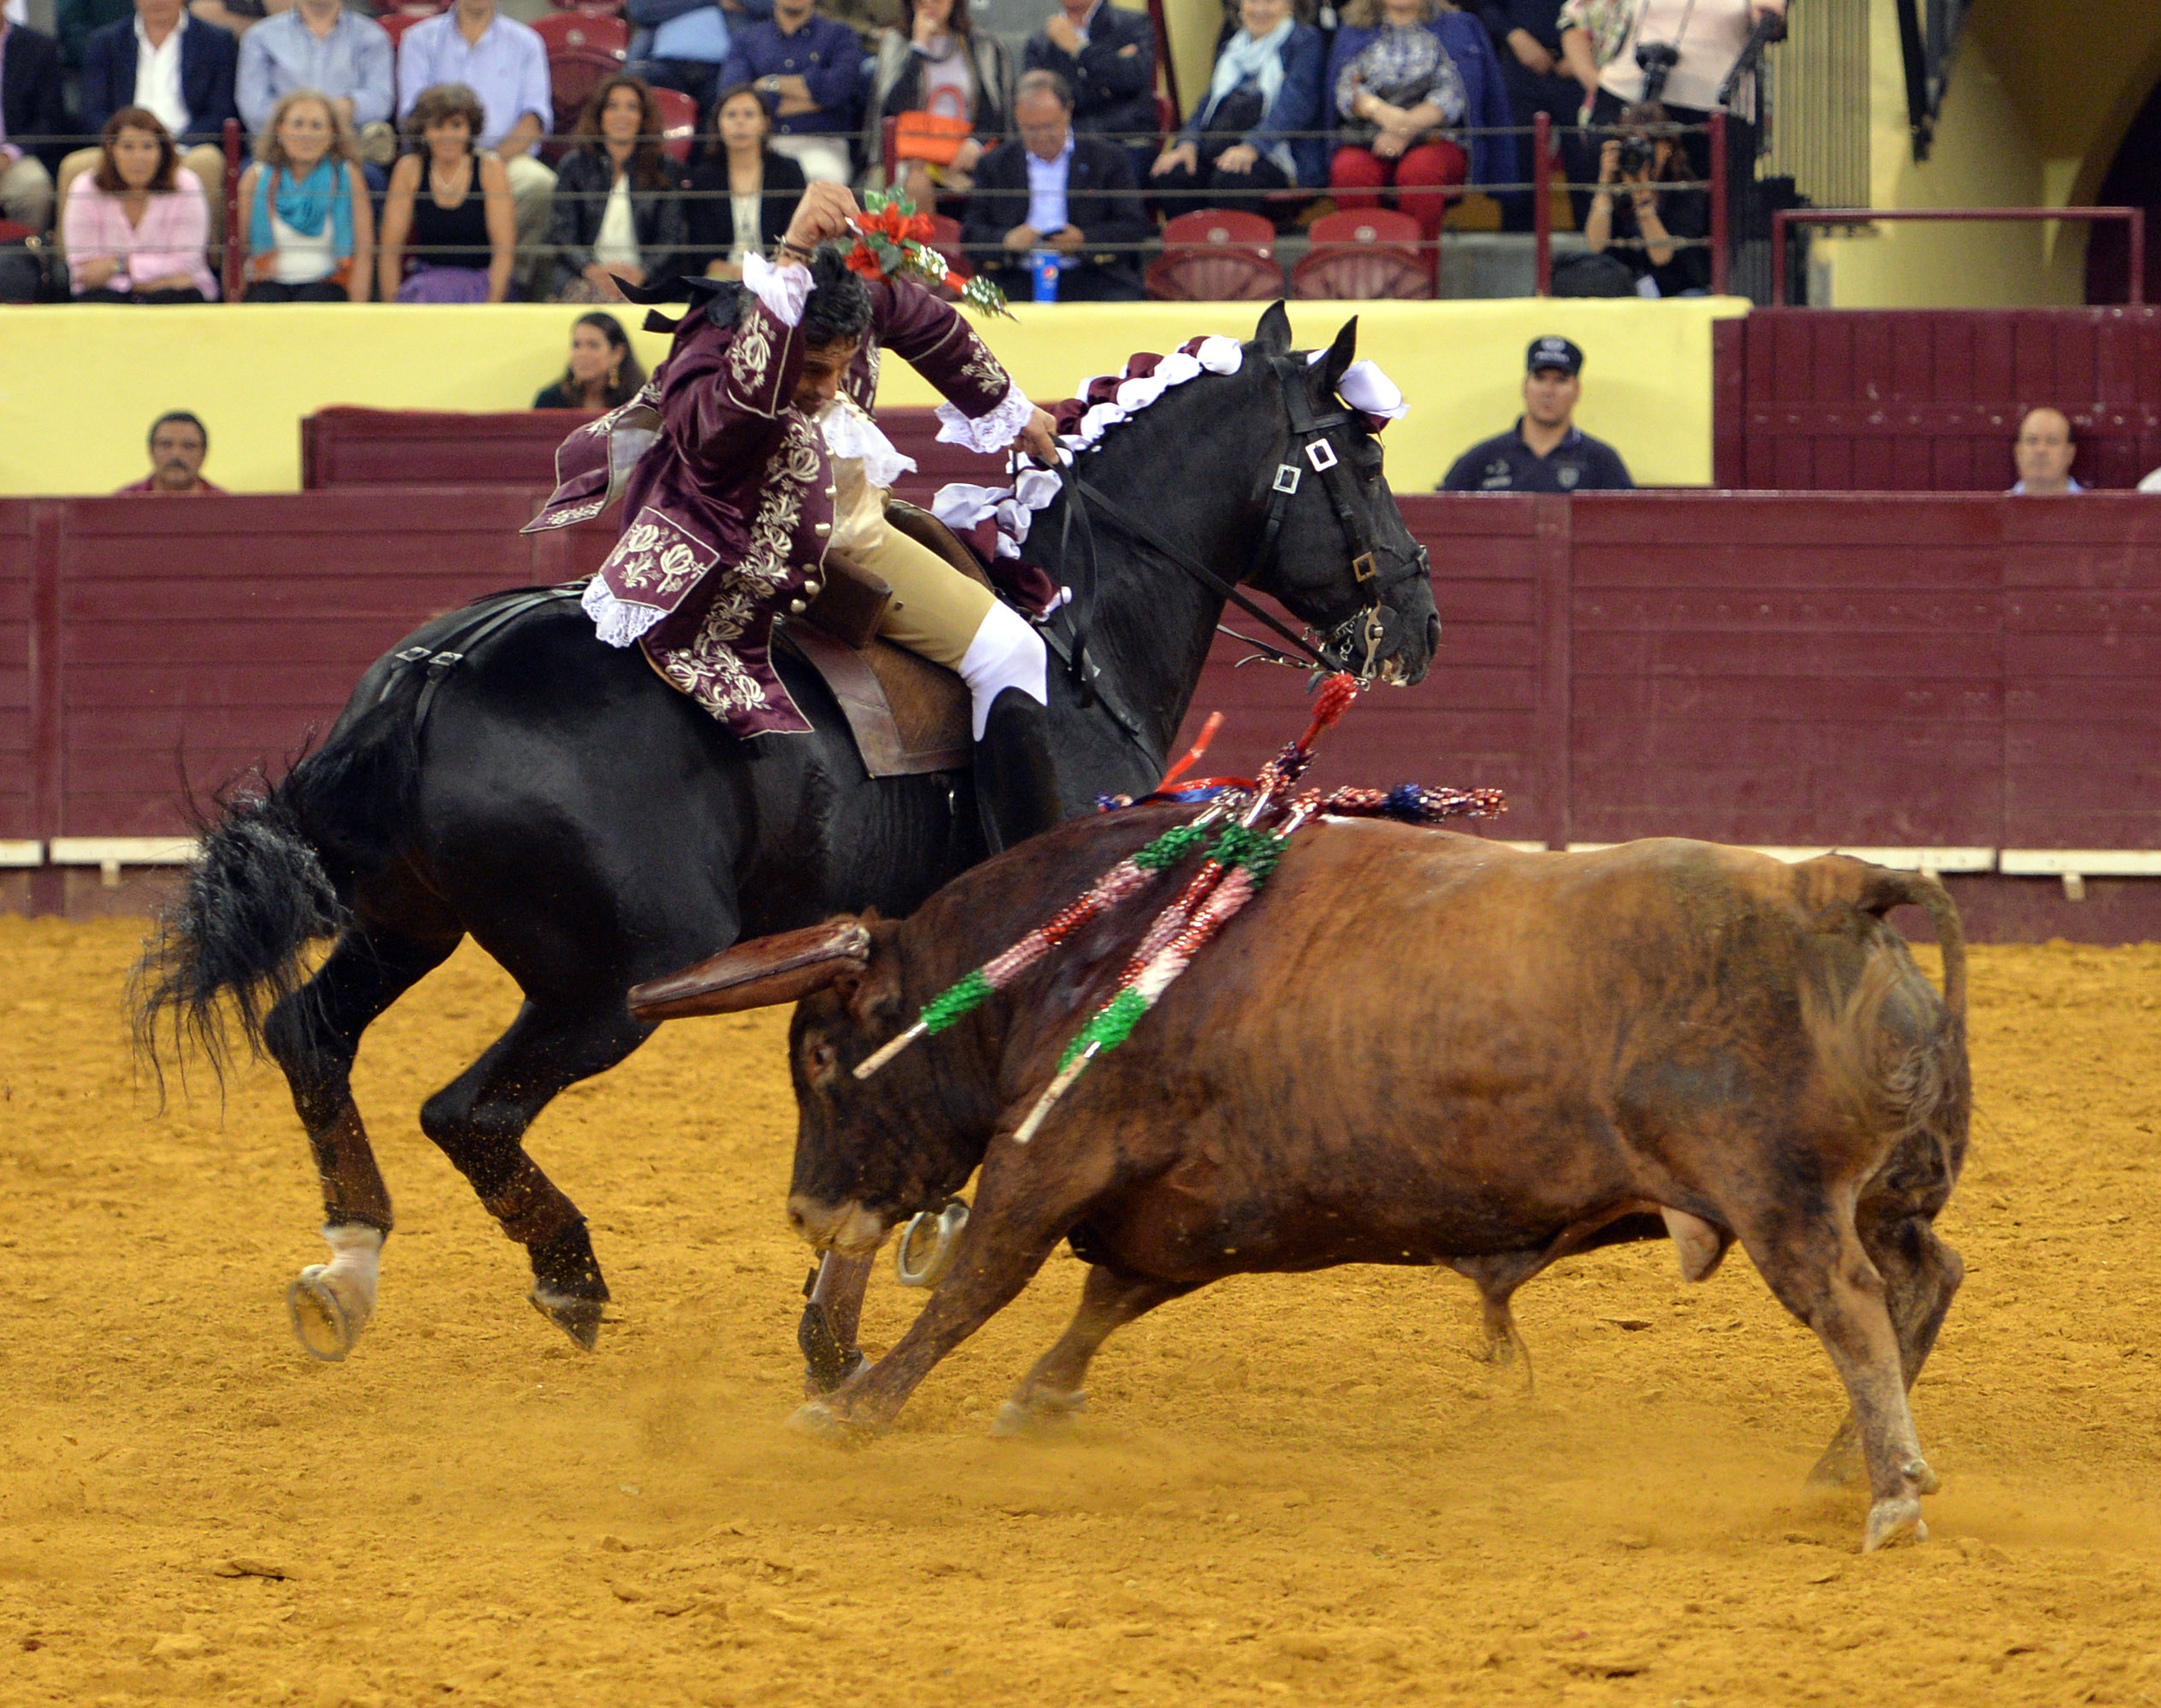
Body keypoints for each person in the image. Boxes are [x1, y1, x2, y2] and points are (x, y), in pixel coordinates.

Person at [528, 181, 1069, 851]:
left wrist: (1012, 411)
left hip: (843, 532)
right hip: (728, 549)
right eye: (811, 368)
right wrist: (793, 258)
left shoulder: (857, 297)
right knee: (1010, 652)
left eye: (840, 368)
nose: (826, 389)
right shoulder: (718, 334)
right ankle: (1026, 858)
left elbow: (933, 326)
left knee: (1010, 643)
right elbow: (723, 424)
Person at [394, 0, 552, 285]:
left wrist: (485, 166)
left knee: (539, 183)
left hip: (506, 159)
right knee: (407, 173)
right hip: (436, 156)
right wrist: (457, 160)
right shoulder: (418, 39)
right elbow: (412, 116)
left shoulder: (526, 42)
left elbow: (533, 119)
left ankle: (514, 286)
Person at [960, 68, 1146, 302]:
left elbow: (1133, 227)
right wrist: (1006, 241)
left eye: (1049, 127)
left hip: (1092, 274)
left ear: (1068, 112)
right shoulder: (996, 164)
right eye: (1030, 129)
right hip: (1017, 275)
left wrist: (1083, 240)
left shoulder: (1107, 159)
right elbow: (970, 234)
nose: (1041, 137)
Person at [67, 0, 236, 249]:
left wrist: (170, 148)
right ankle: (77, 271)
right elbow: (93, 111)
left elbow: (221, 110)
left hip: (187, 146)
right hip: (121, 146)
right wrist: (123, 146)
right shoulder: (105, 41)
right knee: (74, 167)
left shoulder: (216, 40)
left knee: (207, 162)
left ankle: (201, 264)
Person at [1148, 0, 1324, 218]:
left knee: (1230, 180)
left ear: (1291, 6)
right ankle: (1193, 251)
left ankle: (1236, 251)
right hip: (1220, 147)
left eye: (1270, 2)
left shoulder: (1305, 41)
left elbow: (1296, 107)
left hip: (1277, 152)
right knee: (1173, 174)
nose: (1260, 9)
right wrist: (1187, 144)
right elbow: (1208, 103)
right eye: (1253, 1)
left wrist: (1252, 147)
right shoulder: (1232, 46)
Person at [1323, 0, 1471, 263]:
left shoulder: (1456, 26)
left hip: (1434, 135)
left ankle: (1418, 281)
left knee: (1421, 171)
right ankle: (1363, 276)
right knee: (1350, 171)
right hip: (1369, 134)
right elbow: (1346, 90)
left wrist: (1406, 128)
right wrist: (1381, 113)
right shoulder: (1354, 29)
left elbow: (1455, 93)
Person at [547, 74, 684, 302]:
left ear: (643, 117)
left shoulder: (664, 169)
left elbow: (671, 237)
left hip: (645, 279)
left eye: (631, 107)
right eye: (613, 107)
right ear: (599, 115)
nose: (622, 115)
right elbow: (562, 233)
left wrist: (641, 274)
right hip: (585, 276)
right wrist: (592, 271)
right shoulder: (574, 166)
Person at [859, 0, 1011, 206]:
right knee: (914, 182)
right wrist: (918, 47)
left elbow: (996, 111)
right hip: (910, 153)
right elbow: (892, 107)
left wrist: (975, 143)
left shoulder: (982, 45)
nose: (930, 4)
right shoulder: (897, 42)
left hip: (967, 152)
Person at [1438, 335, 1633, 493]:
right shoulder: (1483, 459)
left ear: (1577, 390)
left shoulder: (1601, 461)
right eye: (1539, 379)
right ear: (1525, 386)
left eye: (1560, 381)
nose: (1548, 391)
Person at [377, 81, 514, 302]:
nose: (448, 135)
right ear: (424, 131)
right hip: (426, 289)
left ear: (470, 129)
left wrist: (491, 310)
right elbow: (389, 250)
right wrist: (393, 311)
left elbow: (504, 252)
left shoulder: (491, 169)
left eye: (457, 125)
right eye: (438, 127)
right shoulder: (409, 169)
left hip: (481, 285)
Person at [63, 105, 219, 299]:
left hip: (174, 298)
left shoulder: (187, 185)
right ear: (112, 150)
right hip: (107, 299)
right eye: (128, 147)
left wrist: (118, 266)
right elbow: (84, 273)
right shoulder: (85, 188)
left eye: (148, 147)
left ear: (162, 151)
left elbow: (187, 265)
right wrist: (155, 281)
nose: (139, 158)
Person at [236, 87, 371, 300]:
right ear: (279, 130)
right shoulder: (255, 178)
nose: (306, 134)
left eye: (316, 126)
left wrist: (357, 313)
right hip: (268, 287)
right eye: (298, 124)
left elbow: (364, 252)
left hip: (327, 286)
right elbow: (237, 251)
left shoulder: (348, 176)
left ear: (331, 135)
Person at [235, 0, 394, 176]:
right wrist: (311, 120)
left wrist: (321, 117)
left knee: (371, 176)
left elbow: (380, 101)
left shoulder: (373, 36)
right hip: (278, 152)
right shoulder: (260, 36)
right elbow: (253, 108)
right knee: (250, 174)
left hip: (348, 150)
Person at [718, 0, 863, 186]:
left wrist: (771, 84)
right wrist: (819, 99)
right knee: (746, 182)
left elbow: (840, 89)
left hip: (822, 143)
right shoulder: (746, 40)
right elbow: (733, 97)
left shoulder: (840, 36)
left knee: (825, 185)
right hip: (762, 145)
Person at [1472, 0, 1590, 230]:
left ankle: (1597, 259)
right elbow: (1483, 5)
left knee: (1586, 169)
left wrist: (1584, 53)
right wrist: (1512, 34)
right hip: (1518, 66)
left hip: (1582, 70)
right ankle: (1516, 255)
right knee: (1517, 170)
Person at [684, 79, 805, 278]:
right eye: (731, 115)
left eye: (749, 114)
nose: (739, 122)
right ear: (718, 124)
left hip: (777, 277)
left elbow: (796, 242)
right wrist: (738, 275)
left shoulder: (788, 172)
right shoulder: (703, 179)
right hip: (721, 279)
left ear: (765, 123)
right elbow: (701, 255)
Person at [1584, 100, 1706, 296]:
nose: (1639, 154)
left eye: (1648, 143)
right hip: (1625, 291)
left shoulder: (1684, 190)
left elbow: (1661, 256)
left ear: (1667, 147)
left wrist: (1642, 198)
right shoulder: (1615, 189)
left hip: (1678, 290)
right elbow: (1596, 244)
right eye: (1631, 143)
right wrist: (1604, 182)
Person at [1021, 0, 1152, 176]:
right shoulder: (1039, 42)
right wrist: (1109, 74)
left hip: (1124, 142)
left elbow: (1132, 77)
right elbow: (1043, 103)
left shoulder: (1134, 24)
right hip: (1066, 146)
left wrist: (1079, 48)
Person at [627, 0, 770, 119]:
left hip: (722, 67)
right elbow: (641, 9)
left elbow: (769, 5)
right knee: (627, 88)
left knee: (731, 108)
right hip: (664, 64)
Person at [2, 17, 67, 232]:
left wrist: (8, 154)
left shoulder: (38, 47)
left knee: (34, 189)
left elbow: (50, 119)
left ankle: (27, 262)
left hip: (15, 157)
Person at [533, 310, 647, 409]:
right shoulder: (550, 400)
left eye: (593, 345)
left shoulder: (639, 401)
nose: (582, 354)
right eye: (576, 345)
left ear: (617, 354)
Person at [117, 408, 223, 492]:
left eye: (188, 446)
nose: (176, 454)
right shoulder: (121, 507)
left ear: (203, 453)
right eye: (166, 445)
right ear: (151, 450)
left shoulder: (226, 508)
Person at [2008, 408, 2083, 496]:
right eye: (2032, 440)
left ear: (2070, 454)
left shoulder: (2093, 508)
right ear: (2018, 452)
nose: (2041, 450)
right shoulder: (1996, 509)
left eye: (2052, 441)